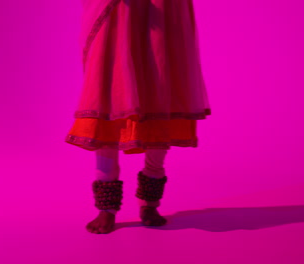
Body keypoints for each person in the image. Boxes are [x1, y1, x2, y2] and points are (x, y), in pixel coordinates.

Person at [65, 0, 211, 234]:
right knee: (109, 95)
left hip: (163, 9)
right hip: (116, 10)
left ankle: (150, 203)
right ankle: (107, 207)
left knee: (160, 88)